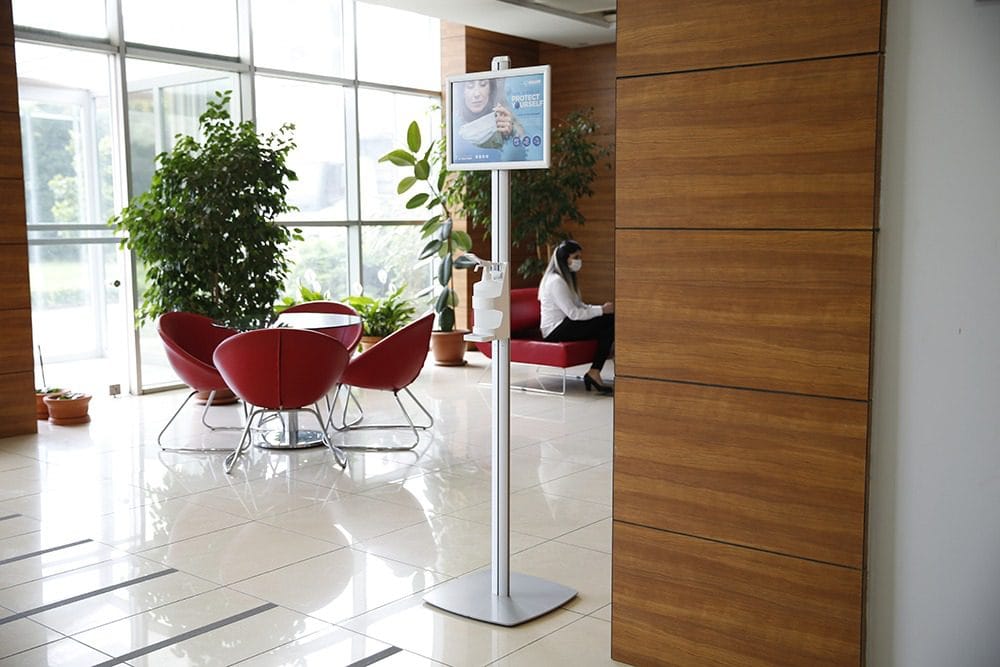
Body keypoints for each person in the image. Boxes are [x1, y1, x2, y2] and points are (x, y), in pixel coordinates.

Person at [538, 239, 615, 395]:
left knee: (608, 324)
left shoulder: (565, 279)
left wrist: (602, 309)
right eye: (576, 257)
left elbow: (580, 306)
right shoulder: (556, 282)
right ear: (565, 258)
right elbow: (574, 313)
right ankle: (595, 371)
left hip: (566, 325)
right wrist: (601, 310)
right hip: (554, 331)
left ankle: (595, 371)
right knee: (608, 322)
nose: (579, 261)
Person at [454, 78, 526, 162]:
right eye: (470, 86)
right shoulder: (454, 126)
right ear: (462, 92)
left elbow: (525, 150)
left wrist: (510, 135)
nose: (477, 94)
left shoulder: (504, 117)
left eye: (483, 85)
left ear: (490, 89)